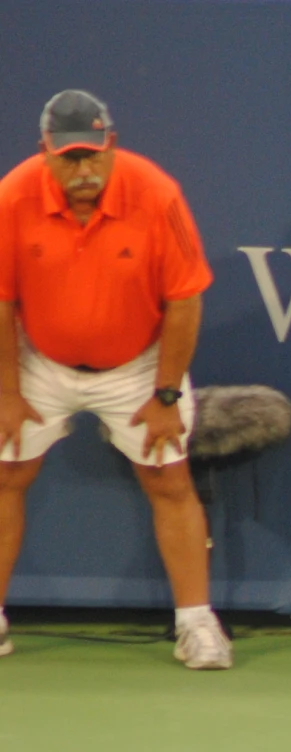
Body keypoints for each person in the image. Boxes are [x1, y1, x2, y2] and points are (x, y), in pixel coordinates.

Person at [0, 90, 227, 669]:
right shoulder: (12, 197)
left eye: (93, 156)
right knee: (7, 472)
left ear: (112, 147)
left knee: (169, 479)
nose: (84, 171)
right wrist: (7, 392)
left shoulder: (156, 194)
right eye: (69, 158)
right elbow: (1, 302)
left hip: (138, 364)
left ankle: (197, 624)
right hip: (39, 361)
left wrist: (166, 395)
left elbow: (184, 302)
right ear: (45, 152)